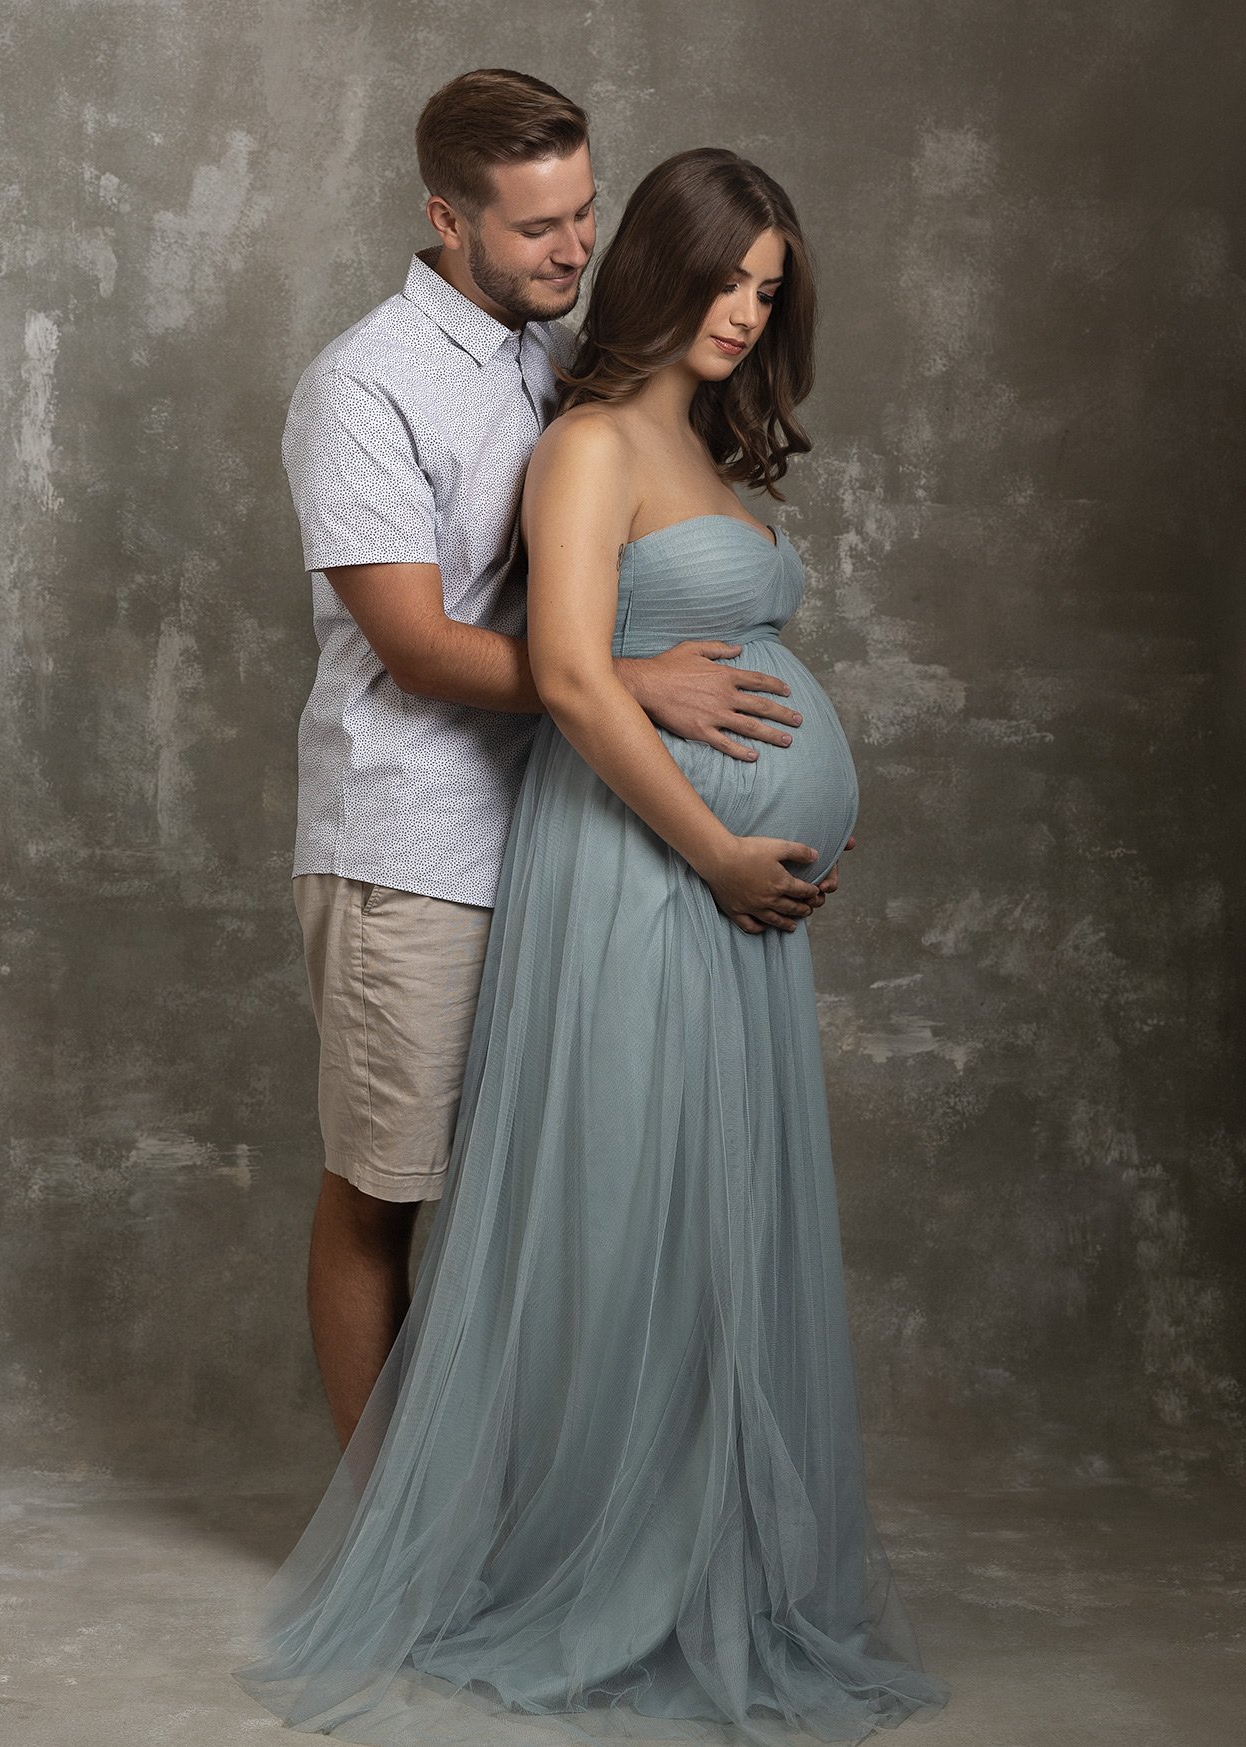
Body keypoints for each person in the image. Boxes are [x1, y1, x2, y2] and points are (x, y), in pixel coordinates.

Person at [235, 148, 947, 1743]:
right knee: (600, 1201)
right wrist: (712, 848)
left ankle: (695, 1543)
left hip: (718, 894)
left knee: (701, 1214)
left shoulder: (670, 428)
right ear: (657, 265)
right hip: (644, 871)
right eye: (724, 278)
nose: (745, 311)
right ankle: (473, 1542)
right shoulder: (581, 444)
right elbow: (561, 669)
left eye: (770, 290)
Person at [281, 69, 833, 1452]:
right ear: (446, 220)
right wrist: (619, 682)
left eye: (586, 214)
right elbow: (414, 645)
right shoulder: (364, 386)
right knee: (385, 1184)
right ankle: (378, 1525)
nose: (575, 251)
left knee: (542, 1199)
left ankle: (497, 1505)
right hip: (413, 844)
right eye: (540, 230)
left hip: (557, 833)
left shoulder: (553, 360)